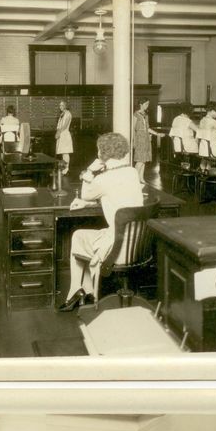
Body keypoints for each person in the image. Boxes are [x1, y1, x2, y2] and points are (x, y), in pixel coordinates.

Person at [58, 131, 144, 311]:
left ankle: (78, 290)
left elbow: (85, 193)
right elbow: (116, 194)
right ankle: (86, 291)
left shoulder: (103, 178)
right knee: (82, 237)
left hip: (116, 249)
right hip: (135, 244)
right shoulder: (132, 172)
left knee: (78, 236)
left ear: (101, 153)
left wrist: (89, 171)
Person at [198, 101, 216, 171]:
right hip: (211, 149)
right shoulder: (213, 122)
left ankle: (204, 169)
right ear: (211, 111)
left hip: (203, 148)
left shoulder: (202, 120)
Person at [132, 99, 152, 184]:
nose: (147, 106)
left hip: (146, 139)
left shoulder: (146, 115)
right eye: (146, 104)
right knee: (140, 160)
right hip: (139, 138)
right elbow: (132, 128)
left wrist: (157, 134)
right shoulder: (135, 115)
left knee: (144, 160)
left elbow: (148, 128)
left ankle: (141, 178)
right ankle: (134, 180)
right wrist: (134, 140)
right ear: (141, 104)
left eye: (148, 104)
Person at [55, 100, 73, 174]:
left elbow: (65, 126)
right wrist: (57, 132)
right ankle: (63, 169)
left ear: (66, 106)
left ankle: (66, 169)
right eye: (60, 105)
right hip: (61, 134)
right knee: (63, 153)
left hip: (65, 135)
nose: (60, 107)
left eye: (62, 105)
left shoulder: (68, 114)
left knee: (65, 153)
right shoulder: (62, 114)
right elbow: (59, 126)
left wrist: (59, 133)